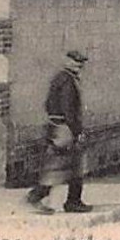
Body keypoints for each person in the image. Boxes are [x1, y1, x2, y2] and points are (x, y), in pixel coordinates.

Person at [26, 50, 93, 214]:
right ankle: (39, 197)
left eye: (81, 63)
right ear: (67, 61)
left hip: (59, 127)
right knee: (65, 165)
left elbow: (49, 105)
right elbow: (68, 109)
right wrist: (77, 131)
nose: (79, 65)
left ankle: (71, 200)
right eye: (76, 62)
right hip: (65, 129)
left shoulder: (62, 78)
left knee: (65, 165)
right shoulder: (66, 81)